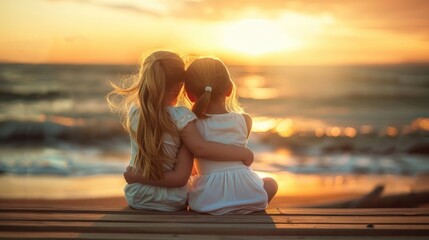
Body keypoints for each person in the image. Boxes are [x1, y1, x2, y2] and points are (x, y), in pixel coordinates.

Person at [125, 56, 278, 215]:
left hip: (207, 201)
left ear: (190, 96)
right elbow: (208, 150)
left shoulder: (192, 124)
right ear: (230, 89)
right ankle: (250, 204)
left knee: (196, 185)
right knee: (271, 183)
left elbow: (199, 153)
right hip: (246, 194)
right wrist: (245, 153)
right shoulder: (245, 120)